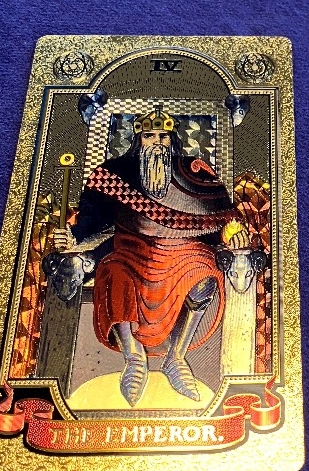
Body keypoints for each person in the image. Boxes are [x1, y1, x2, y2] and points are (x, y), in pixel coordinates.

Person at [52, 106, 248, 406]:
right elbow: (93, 217)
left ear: (172, 140)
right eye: (149, 136)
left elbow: (219, 212)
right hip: (131, 248)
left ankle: (176, 358)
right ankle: (134, 360)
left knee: (204, 276)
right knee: (115, 273)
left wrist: (232, 229)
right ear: (138, 140)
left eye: (163, 136)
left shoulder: (193, 170)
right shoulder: (115, 173)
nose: (156, 142)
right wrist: (73, 234)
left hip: (185, 250)